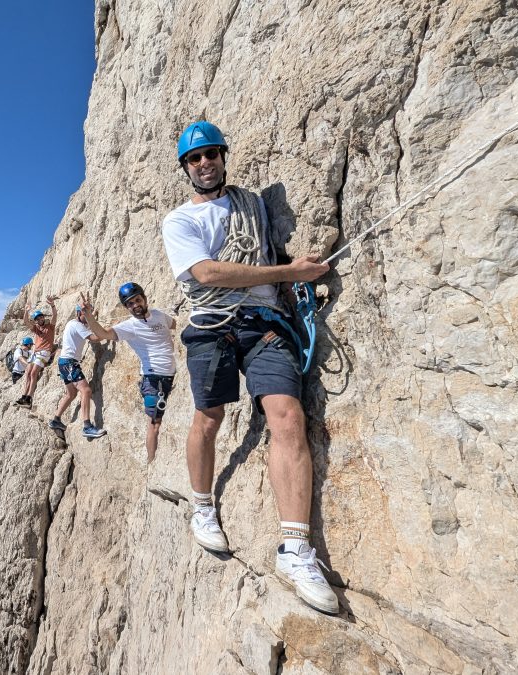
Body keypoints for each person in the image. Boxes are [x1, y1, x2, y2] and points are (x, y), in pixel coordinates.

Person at [161, 120, 337, 614]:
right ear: (185, 168)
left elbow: (251, 254)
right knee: (209, 418)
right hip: (212, 324)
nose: (204, 163)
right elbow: (207, 273)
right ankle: (201, 505)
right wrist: (288, 272)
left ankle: (296, 550)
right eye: (194, 158)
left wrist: (287, 282)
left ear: (223, 156)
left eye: (211, 153)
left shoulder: (251, 204)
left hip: (262, 323)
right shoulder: (179, 221)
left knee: (288, 418)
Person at [79, 283, 176, 462]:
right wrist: (88, 315)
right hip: (153, 381)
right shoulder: (129, 326)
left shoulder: (159, 315)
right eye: (130, 304)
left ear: (144, 298)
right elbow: (103, 333)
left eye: (137, 300)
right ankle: (151, 462)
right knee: (154, 424)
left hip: (173, 376)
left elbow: (175, 324)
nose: (135, 305)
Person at [47, 303, 106, 439]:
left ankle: (56, 420)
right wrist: (108, 332)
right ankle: (87, 426)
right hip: (69, 363)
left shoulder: (73, 323)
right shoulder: (78, 325)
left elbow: (87, 324)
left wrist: (92, 316)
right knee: (86, 390)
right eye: (86, 313)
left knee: (71, 393)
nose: (89, 316)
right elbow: (95, 338)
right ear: (79, 313)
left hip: (64, 362)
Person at [15, 295, 57, 408]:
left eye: (41, 318)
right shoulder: (36, 328)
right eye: (37, 319)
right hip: (35, 353)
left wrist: (52, 305)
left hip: (44, 352)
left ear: (43, 317)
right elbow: (25, 321)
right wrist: (26, 311)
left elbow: (55, 316)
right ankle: (24, 397)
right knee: (28, 372)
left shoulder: (50, 327)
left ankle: (29, 398)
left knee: (34, 373)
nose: (40, 320)